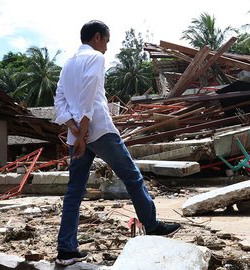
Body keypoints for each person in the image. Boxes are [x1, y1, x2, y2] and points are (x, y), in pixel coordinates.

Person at [53, 20, 180, 266]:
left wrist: (74, 130)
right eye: (107, 42)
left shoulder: (68, 64)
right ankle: (152, 226)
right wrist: (84, 132)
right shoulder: (96, 59)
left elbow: (60, 99)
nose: (107, 49)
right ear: (98, 37)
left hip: (77, 134)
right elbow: (89, 96)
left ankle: (66, 250)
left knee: (74, 192)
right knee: (132, 177)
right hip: (98, 130)